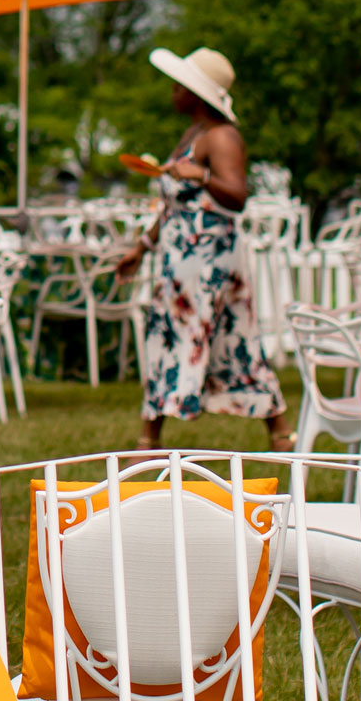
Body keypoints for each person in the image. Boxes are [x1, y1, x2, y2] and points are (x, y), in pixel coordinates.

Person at [116, 45, 292, 450]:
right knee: (206, 337)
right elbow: (177, 204)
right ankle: (277, 435)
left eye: (180, 86)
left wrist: (200, 174)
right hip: (181, 260)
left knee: (214, 339)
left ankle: (150, 440)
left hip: (209, 261)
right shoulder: (192, 135)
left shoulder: (222, 136)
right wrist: (142, 248)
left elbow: (236, 195)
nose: (173, 92)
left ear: (197, 93)